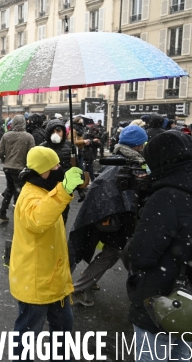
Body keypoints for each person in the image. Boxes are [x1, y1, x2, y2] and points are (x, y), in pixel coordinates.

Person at [126, 131, 192, 361]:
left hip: (160, 301)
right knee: (178, 352)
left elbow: (141, 255)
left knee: (154, 353)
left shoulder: (167, 197)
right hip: (191, 293)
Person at [10, 146, 83, 360]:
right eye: (56, 166)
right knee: (28, 332)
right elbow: (38, 219)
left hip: (53, 278)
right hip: (37, 282)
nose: (60, 169)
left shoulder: (45, 188)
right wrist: (65, 190)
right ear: (43, 171)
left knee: (62, 327)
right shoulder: (31, 194)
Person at [69, 125, 148, 307]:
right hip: (121, 221)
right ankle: (78, 288)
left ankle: (85, 281)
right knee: (117, 255)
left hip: (116, 219)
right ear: (137, 146)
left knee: (111, 254)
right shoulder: (129, 164)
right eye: (142, 143)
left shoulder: (118, 161)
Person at [0, 115, 35, 222]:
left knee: (9, 189)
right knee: (20, 191)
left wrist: (6, 159)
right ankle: (19, 216)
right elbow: (32, 154)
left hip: (8, 167)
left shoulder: (6, 135)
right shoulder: (28, 137)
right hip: (20, 168)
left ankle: (2, 212)